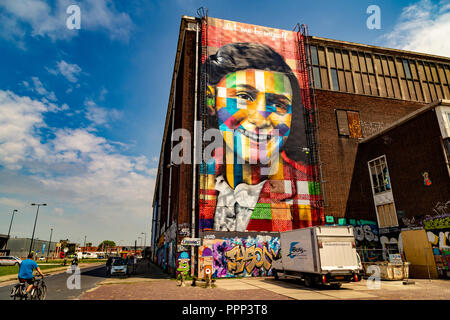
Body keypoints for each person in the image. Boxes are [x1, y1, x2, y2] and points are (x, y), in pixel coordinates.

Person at [199, 42, 323, 232]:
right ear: (211, 101)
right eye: (244, 97)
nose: (261, 118)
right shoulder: (200, 181)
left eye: (278, 104)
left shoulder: (305, 191)